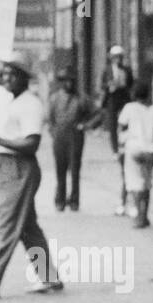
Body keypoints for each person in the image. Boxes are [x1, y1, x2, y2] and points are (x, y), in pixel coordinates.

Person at [0, 50, 63, 299]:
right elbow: (0, 140)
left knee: (8, 226)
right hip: (3, 165)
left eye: (13, 74)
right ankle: (49, 277)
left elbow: (31, 144)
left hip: (18, 168)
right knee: (27, 227)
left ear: (24, 78)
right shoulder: (9, 101)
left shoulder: (30, 104)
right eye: (6, 74)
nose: (7, 78)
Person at [46, 67, 101, 212]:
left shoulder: (81, 98)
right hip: (59, 136)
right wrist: (53, 131)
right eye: (65, 81)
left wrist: (86, 125)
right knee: (60, 169)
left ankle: (74, 200)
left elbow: (98, 114)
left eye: (71, 81)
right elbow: (50, 119)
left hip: (75, 136)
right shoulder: (55, 98)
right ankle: (60, 200)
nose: (68, 84)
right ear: (61, 82)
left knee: (75, 170)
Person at [117, 80, 153, 228]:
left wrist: (120, 145)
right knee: (147, 183)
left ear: (134, 94)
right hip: (149, 151)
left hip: (133, 150)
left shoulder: (129, 108)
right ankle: (145, 215)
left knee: (134, 183)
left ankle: (139, 215)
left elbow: (120, 127)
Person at [100, 45, 135, 214]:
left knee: (124, 123)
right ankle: (115, 148)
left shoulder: (126, 69)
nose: (118, 60)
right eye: (115, 57)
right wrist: (109, 86)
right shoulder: (107, 70)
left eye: (119, 57)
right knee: (113, 125)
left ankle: (124, 141)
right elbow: (103, 84)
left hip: (123, 98)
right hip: (112, 99)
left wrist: (123, 84)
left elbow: (131, 83)